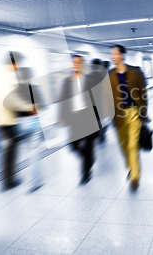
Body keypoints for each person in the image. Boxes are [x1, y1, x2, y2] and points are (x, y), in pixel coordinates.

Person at [108, 45, 148, 191]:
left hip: (134, 113)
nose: (113, 56)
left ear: (122, 55)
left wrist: (143, 111)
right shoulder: (110, 74)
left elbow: (143, 93)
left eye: (115, 54)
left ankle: (135, 177)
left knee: (132, 146)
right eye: (111, 54)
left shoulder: (135, 72)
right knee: (124, 145)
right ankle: (131, 166)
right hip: (118, 115)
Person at [0, 51, 36, 190]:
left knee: (10, 151)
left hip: (5, 119)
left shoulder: (3, 76)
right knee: (10, 151)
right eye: (18, 63)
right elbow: (10, 100)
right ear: (14, 63)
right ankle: (8, 181)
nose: (19, 66)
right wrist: (28, 107)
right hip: (7, 121)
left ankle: (9, 179)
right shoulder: (9, 76)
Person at [59, 55, 99, 184]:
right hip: (73, 117)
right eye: (74, 63)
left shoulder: (90, 80)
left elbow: (97, 99)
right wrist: (62, 117)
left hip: (87, 117)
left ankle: (85, 173)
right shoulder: (67, 81)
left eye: (79, 63)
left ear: (83, 65)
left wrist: (98, 118)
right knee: (73, 145)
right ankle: (89, 157)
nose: (76, 65)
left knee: (88, 144)